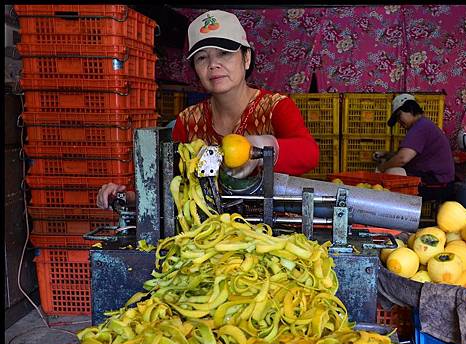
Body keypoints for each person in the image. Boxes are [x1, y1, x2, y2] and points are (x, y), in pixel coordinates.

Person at [97, 10, 319, 209]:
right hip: (209, 234)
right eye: (202, 58)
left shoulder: (275, 107)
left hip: (270, 232)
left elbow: (309, 154)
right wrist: (129, 196)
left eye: (224, 53)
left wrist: (264, 148)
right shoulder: (189, 120)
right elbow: (170, 181)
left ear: (247, 58)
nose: (213, 64)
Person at [377, 93, 455, 201]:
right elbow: (406, 154)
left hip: (438, 183)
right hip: (435, 179)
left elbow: (402, 159)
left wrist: (381, 168)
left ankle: (401, 214)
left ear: (410, 109)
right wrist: (387, 154)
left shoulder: (420, 127)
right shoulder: (422, 125)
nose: (399, 122)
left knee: (393, 173)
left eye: (399, 116)